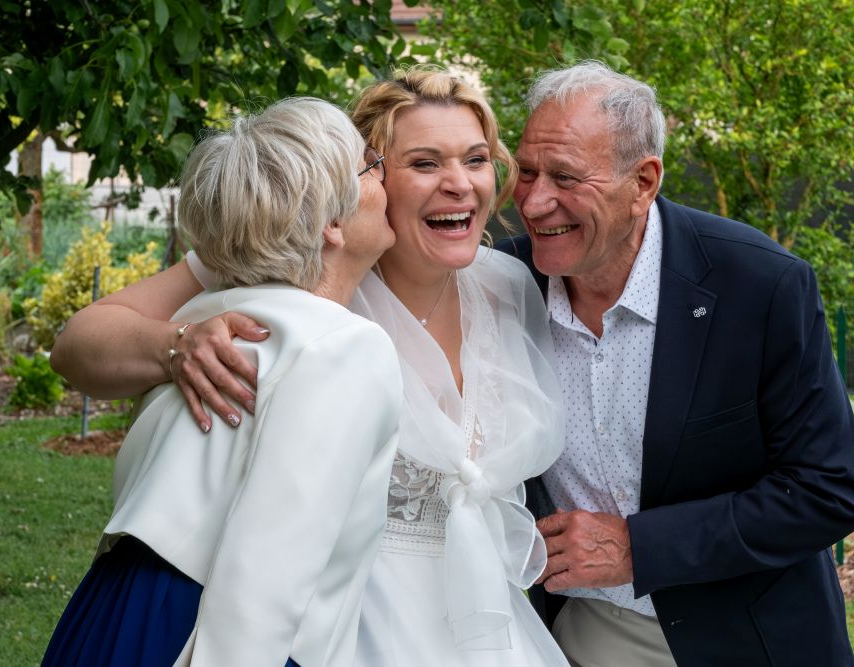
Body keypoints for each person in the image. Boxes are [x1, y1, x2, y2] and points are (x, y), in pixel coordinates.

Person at [50, 69, 569, 666]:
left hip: (487, 627)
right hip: (343, 622)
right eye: (424, 164)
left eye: (476, 159)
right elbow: (78, 343)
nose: (460, 184)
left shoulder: (510, 284)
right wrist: (178, 342)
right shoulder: (288, 265)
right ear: (358, 184)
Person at [498, 61, 854, 666]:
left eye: (565, 176)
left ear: (643, 182)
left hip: (747, 636)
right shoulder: (505, 287)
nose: (535, 202)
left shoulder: (762, 286)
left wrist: (637, 549)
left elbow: (826, 492)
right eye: (528, 171)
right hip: (584, 631)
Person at [43, 98, 403, 666]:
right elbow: (267, 575)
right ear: (332, 224)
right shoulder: (344, 345)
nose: (387, 177)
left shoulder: (202, 319)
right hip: (208, 630)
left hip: (106, 610)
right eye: (371, 166)